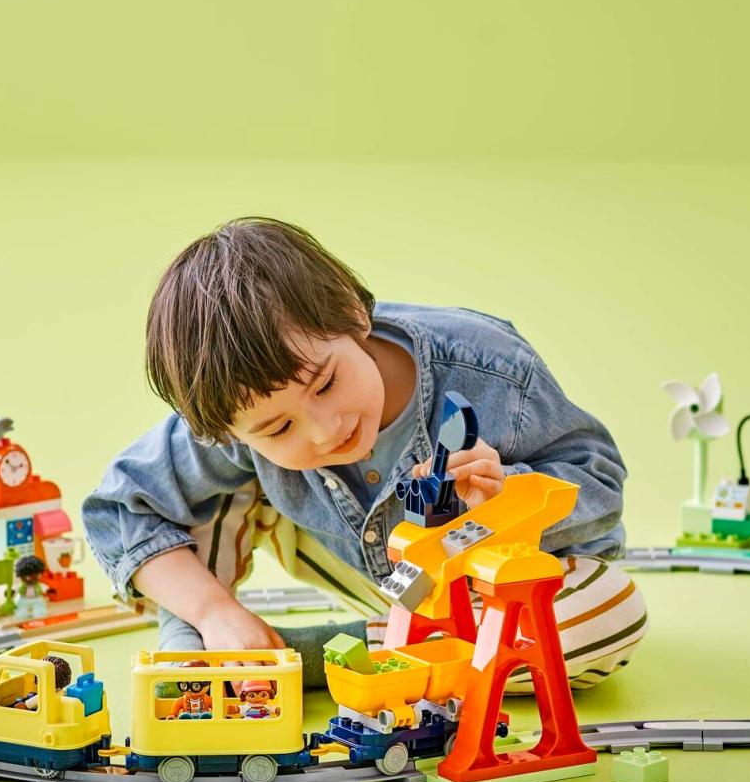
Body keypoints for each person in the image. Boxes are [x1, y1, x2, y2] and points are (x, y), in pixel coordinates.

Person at [82, 217, 646, 691]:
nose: (325, 431)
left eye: (327, 384)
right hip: (378, 574)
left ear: (354, 316)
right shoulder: (231, 417)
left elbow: (599, 480)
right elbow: (121, 509)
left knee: (609, 612)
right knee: (195, 500)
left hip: (494, 588)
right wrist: (213, 611)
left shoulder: (493, 371)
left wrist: (508, 497)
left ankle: (321, 654)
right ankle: (204, 646)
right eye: (280, 427)